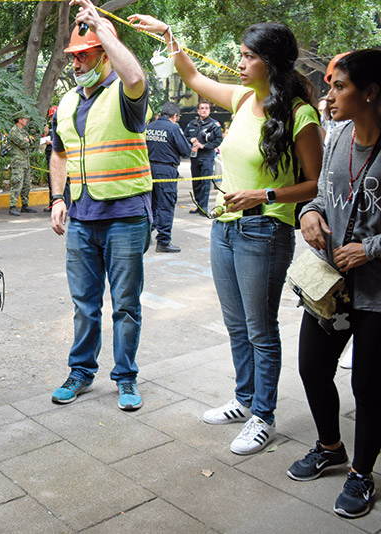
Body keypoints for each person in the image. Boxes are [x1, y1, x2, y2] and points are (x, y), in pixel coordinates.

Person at [129, 15, 323, 454]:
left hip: (265, 231)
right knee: (236, 326)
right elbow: (192, 75)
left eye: (248, 57)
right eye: (240, 55)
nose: (239, 64)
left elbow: (316, 182)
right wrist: (166, 34)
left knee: (260, 330)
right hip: (225, 227)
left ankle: (263, 415)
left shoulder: (299, 113)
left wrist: (265, 193)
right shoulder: (240, 99)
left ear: (271, 63)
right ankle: (243, 399)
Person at [287, 49, 381, 519]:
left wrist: (372, 248)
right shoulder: (340, 134)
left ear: (371, 92)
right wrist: (308, 215)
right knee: (311, 367)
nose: (329, 96)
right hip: (332, 285)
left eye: (339, 87)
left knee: (369, 385)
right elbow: (320, 192)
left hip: (378, 293)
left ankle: (362, 473)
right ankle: (330, 446)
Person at [49, 0, 152, 412]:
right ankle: (81, 372)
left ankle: (125, 378)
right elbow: (58, 154)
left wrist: (102, 27)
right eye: (73, 57)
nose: (76, 63)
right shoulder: (68, 103)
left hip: (125, 218)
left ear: (105, 54)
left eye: (84, 54)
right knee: (84, 305)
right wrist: (58, 198)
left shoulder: (126, 95)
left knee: (125, 305)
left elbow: (136, 74)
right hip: (81, 219)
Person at [147, 102, 192, 253]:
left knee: (150, 205)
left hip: (148, 170)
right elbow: (185, 150)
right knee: (166, 205)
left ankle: (145, 236)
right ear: (174, 116)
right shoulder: (173, 128)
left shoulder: (149, 127)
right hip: (166, 170)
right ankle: (163, 241)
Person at [184, 101, 223, 214]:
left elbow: (218, 140)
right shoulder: (192, 123)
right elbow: (184, 136)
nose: (204, 110)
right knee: (196, 182)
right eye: (202, 108)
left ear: (209, 111)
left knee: (205, 183)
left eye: (206, 108)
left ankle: (203, 207)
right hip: (194, 157)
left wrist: (204, 146)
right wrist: (190, 140)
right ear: (198, 111)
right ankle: (198, 205)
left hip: (207, 156)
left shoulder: (214, 124)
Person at [8, 115, 35, 216]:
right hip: (18, 162)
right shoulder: (14, 131)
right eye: (25, 118)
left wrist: (27, 140)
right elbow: (24, 143)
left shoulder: (23, 131)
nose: (26, 120)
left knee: (26, 184)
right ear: (19, 120)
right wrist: (27, 140)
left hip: (25, 162)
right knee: (17, 183)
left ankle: (25, 205)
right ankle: (12, 206)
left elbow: (31, 141)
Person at [41, 106, 59, 212]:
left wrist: (50, 142)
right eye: (51, 117)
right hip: (50, 157)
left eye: (54, 116)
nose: (52, 119)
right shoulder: (52, 130)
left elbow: (63, 143)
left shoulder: (61, 127)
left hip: (58, 159)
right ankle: (52, 203)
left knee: (60, 182)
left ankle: (62, 204)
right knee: (51, 181)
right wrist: (46, 134)